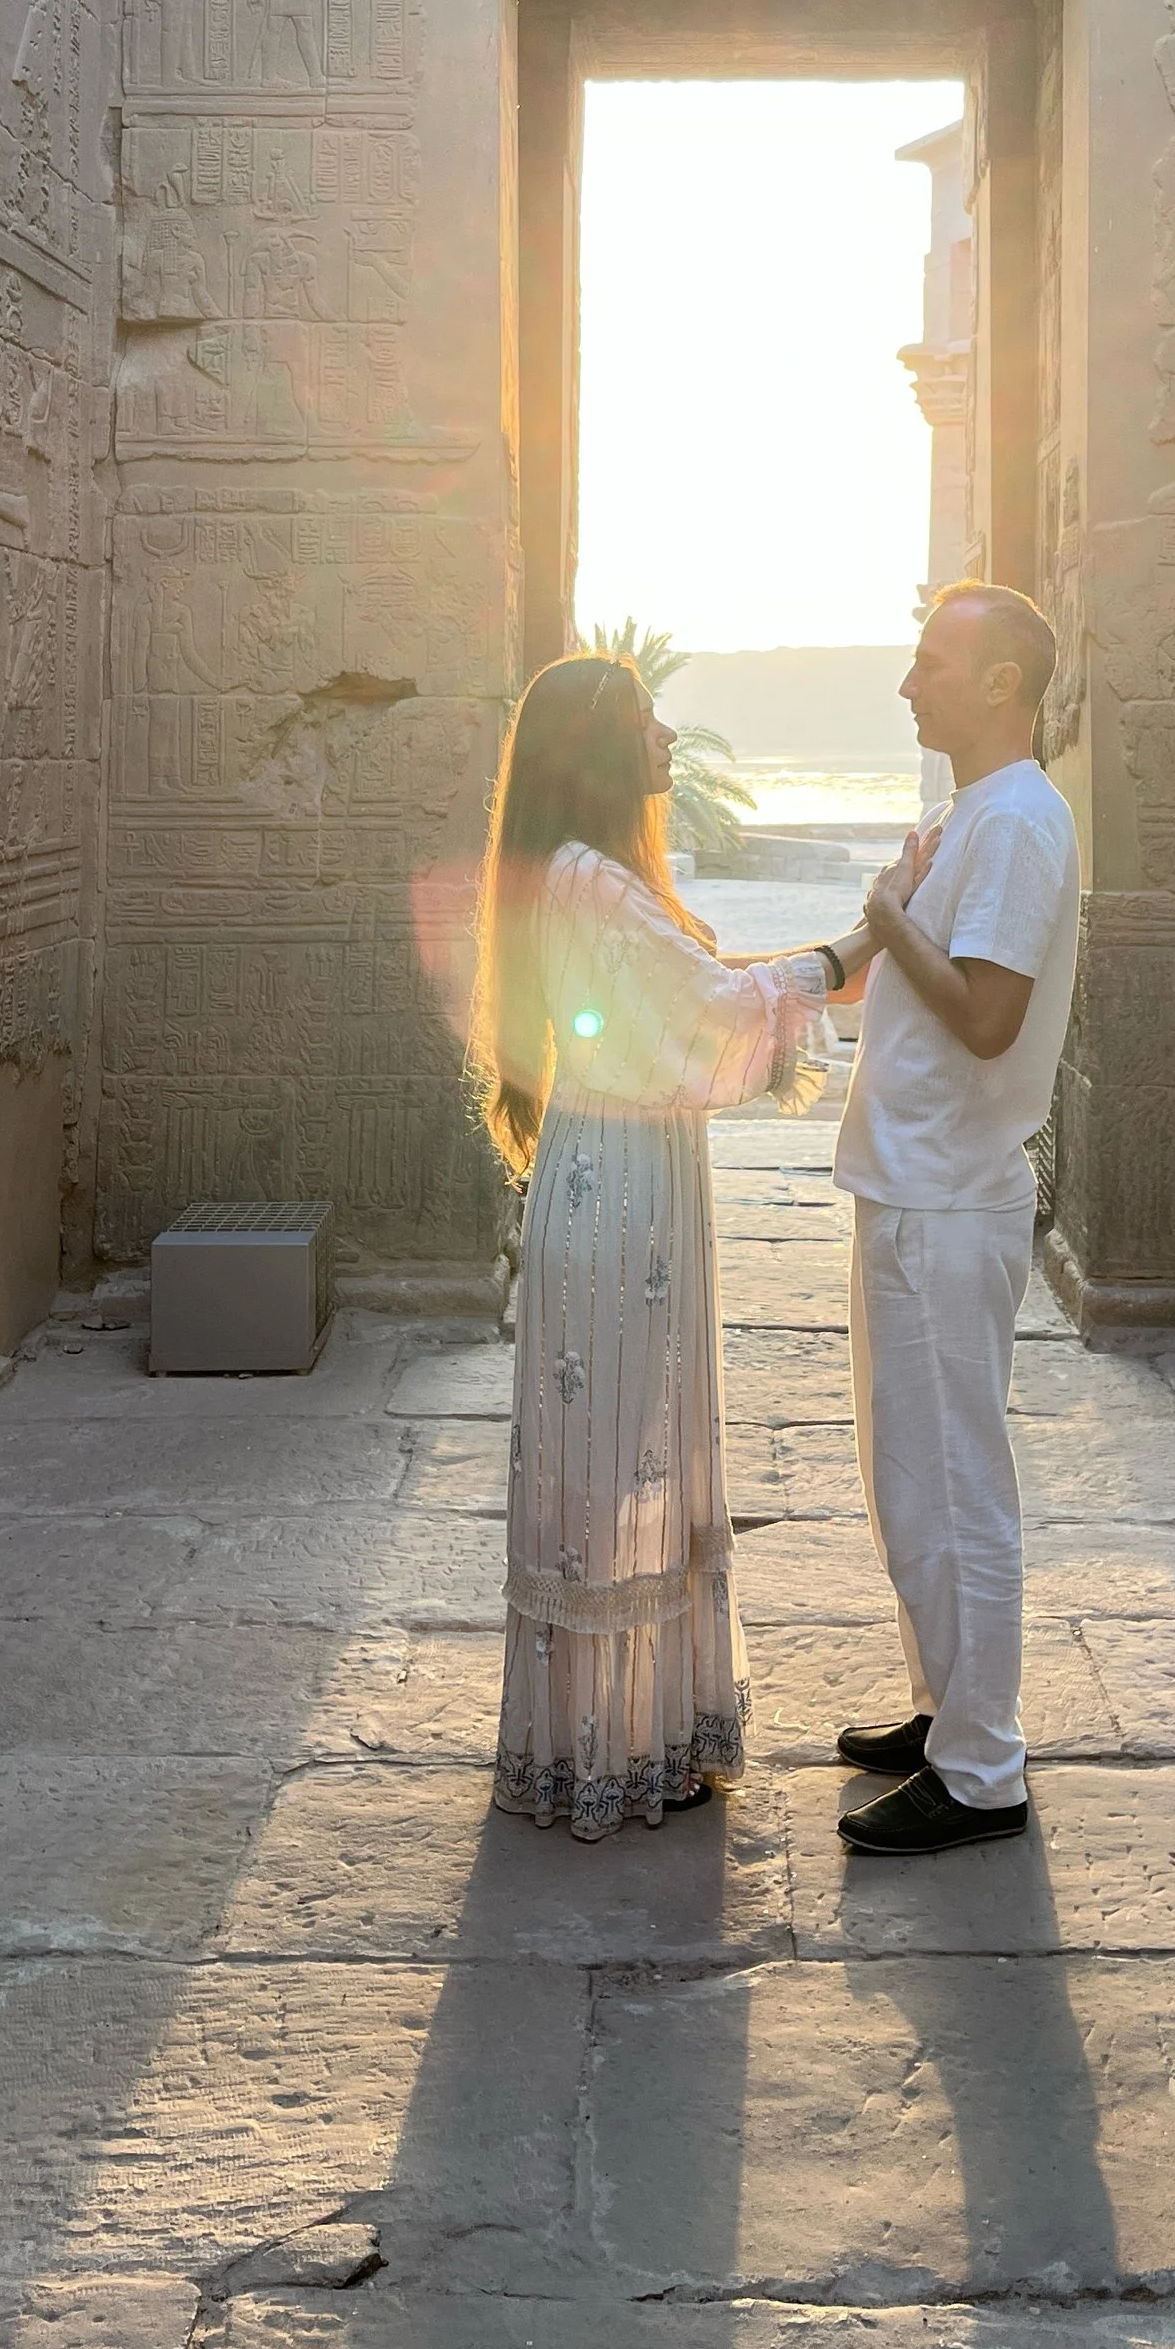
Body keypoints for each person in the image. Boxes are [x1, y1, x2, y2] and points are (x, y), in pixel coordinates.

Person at [470, 653, 832, 1842]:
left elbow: (686, 1005)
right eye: (646, 722)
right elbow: (716, 1017)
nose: (670, 738)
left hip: (620, 1168)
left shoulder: (574, 876)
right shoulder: (592, 883)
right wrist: (847, 954)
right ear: (599, 754)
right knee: (619, 1453)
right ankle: (610, 1747)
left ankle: (624, 1736)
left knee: (625, 1449)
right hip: (621, 1185)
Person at [819, 582, 1082, 1855]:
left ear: (1000, 683)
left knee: (961, 1483)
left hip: (950, 1193)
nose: (908, 684)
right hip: (905, 1179)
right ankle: (944, 1714)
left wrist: (883, 919)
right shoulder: (965, 817)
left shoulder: (1021, 822)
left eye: (931, 662)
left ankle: (983, 1771)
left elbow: (986, 1016)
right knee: (907, 1479)